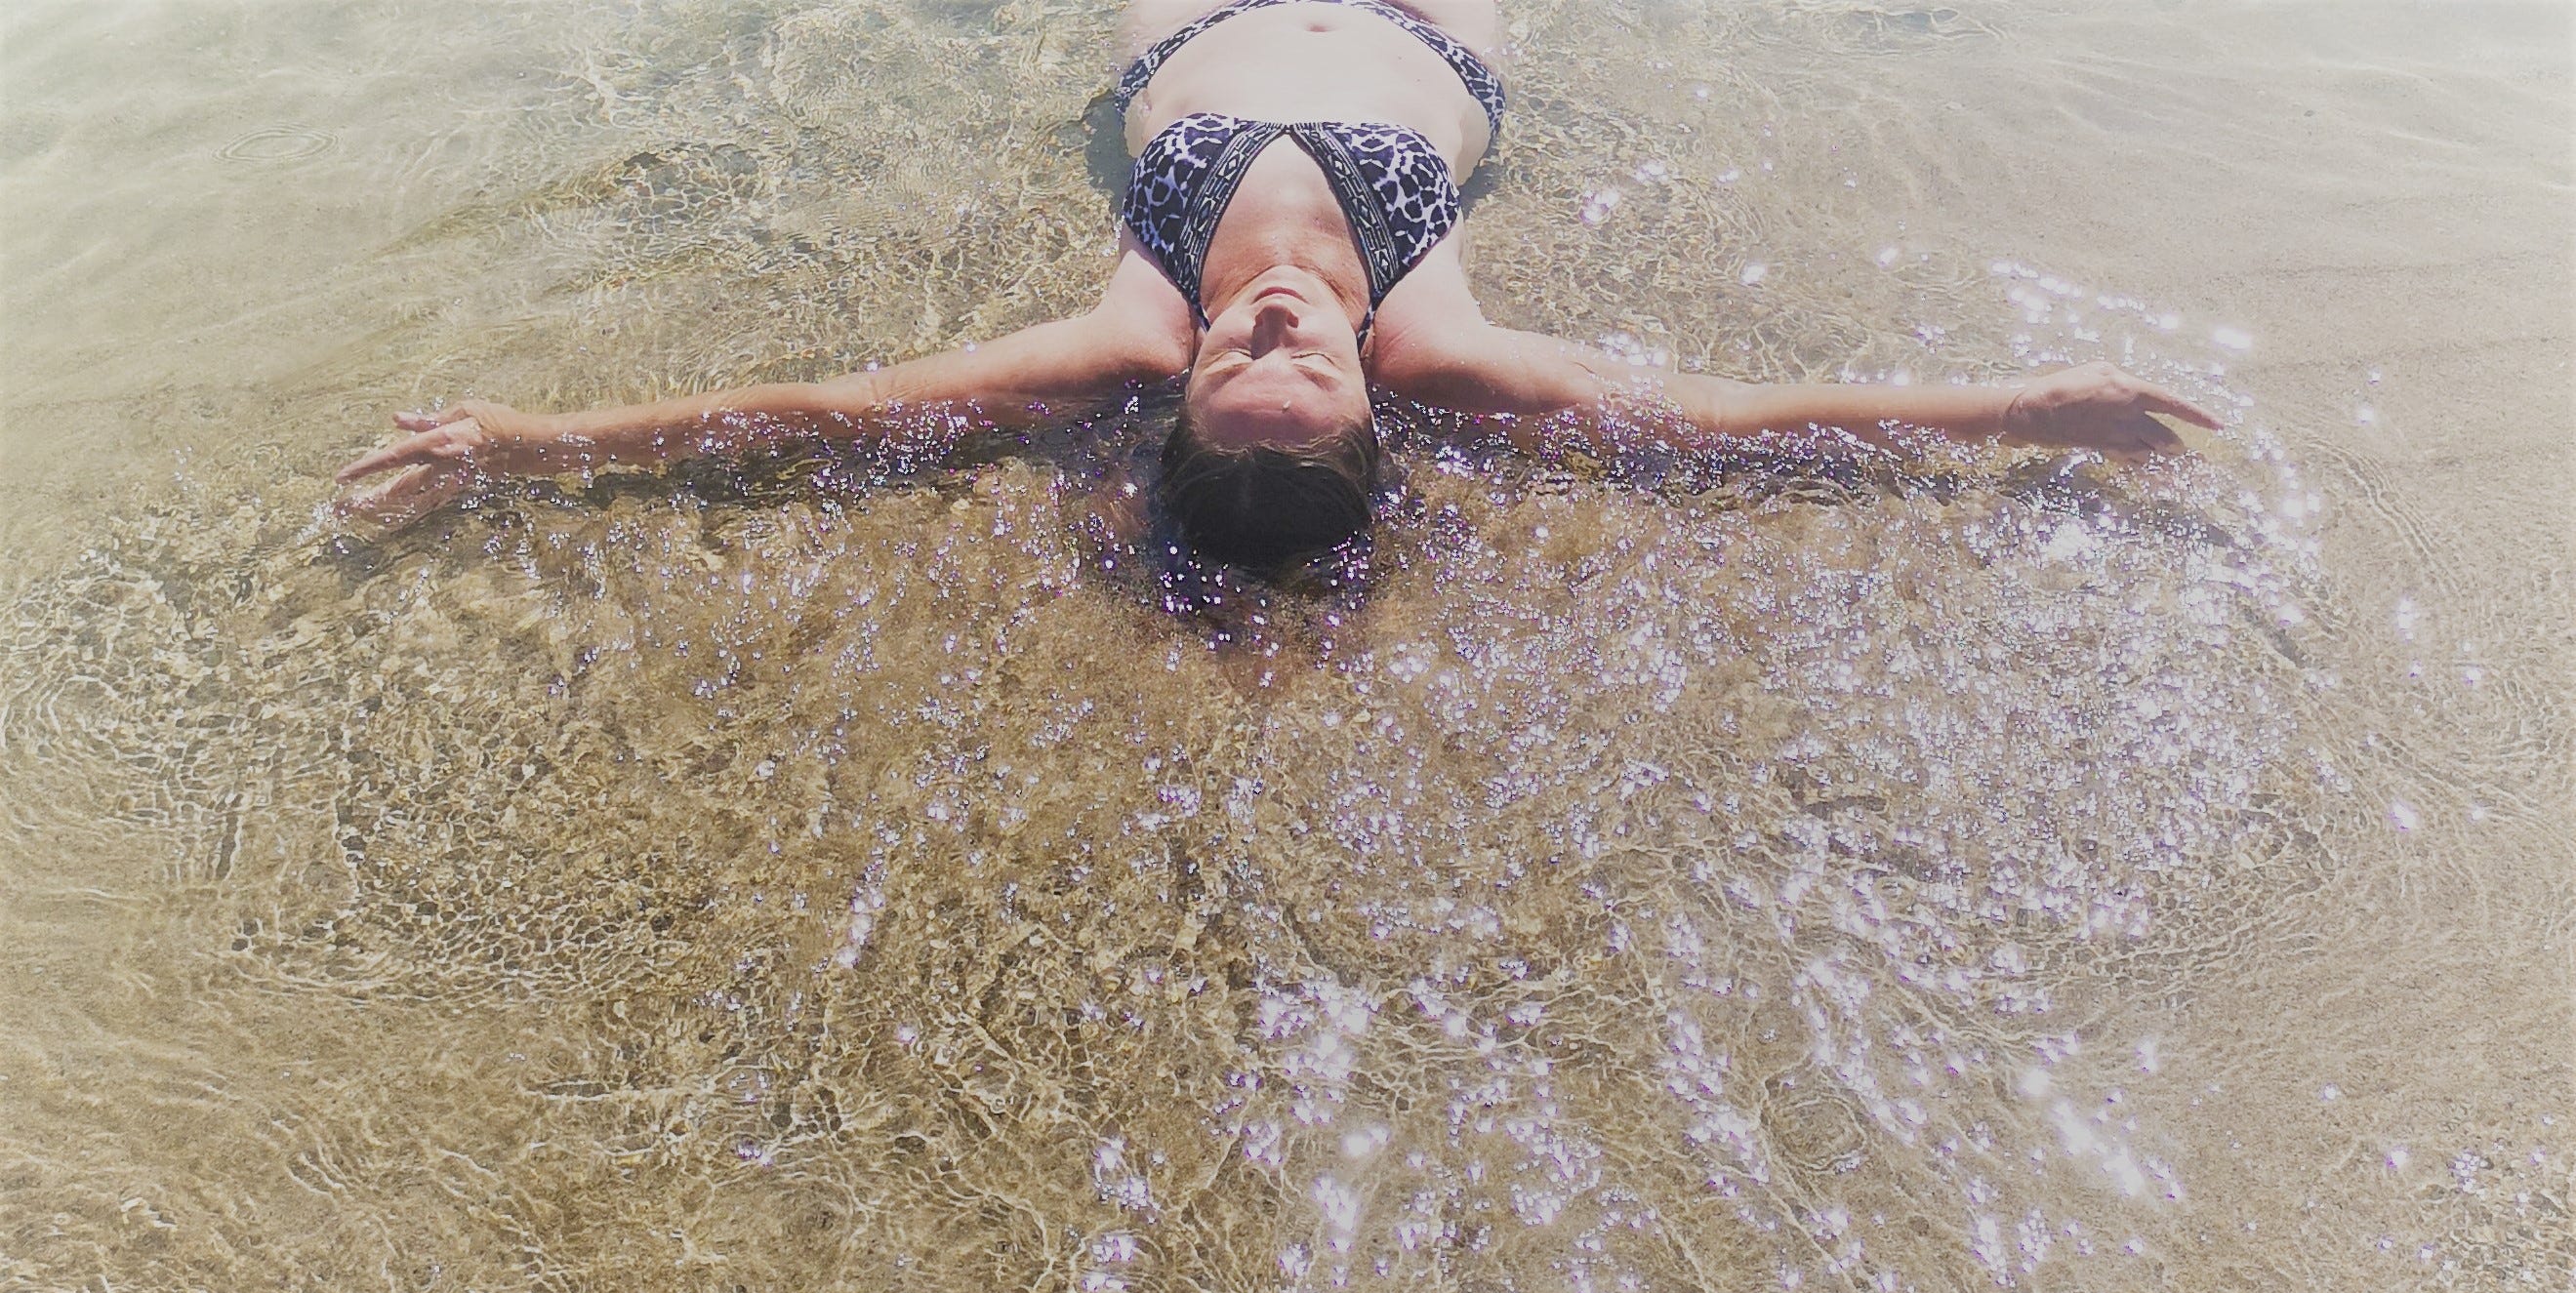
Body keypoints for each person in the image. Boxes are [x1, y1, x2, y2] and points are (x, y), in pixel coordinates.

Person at [338, 0, 2222, 561]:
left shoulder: (1129, 326)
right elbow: (1727, 422)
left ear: (1179, 391)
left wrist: (537, 440)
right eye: (1299, 364)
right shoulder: (1436, 340)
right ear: (1371, 401)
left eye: (1238, 359)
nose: (1270, 324)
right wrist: (2018, 408)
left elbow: (835, 411)